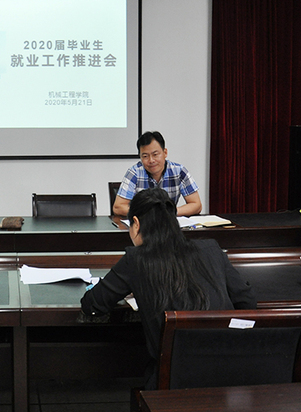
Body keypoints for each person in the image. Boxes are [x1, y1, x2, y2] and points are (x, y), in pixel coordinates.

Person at [81, 188, 255, 389]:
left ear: (136, 223)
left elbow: (92, 305)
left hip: (174, 383)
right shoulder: (211, 249)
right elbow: (247, 301)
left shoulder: (136, 260)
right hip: (232, 377)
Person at [113, 131, 202, 217]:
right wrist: (150, 214)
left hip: (168, 223)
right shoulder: (134, 173)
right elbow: (118, 208)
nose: (151, 160)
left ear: (165, 153)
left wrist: (170, 212)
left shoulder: (179, 171)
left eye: (155, 154)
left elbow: (196, 205)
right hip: (144, 223)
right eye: (145, 156)